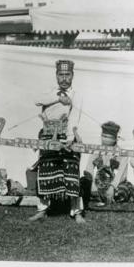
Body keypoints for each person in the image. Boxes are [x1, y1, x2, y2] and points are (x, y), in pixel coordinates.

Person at [28, 59, 85, 224]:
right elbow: (37, 100)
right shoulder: (49, 92)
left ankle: (77, 212)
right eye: (61, 75)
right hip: (47, 136)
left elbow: (75, 118)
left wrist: (69, 139)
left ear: (73, 75)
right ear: (56, 75)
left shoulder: (77, 95)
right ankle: (42, 209)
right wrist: (59, 98)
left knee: (72, 173)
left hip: (67, 137)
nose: (64, 79)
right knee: (46, 172)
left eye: (68, 75)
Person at [81, 121, 121, 208]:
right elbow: (89, 169)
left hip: (115, 185)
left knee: (122, 191)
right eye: (103, 136)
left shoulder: (121, 153)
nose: (104, 139)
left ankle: (109, 197)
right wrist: (92, 185)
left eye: (107, 137)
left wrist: (112, 187)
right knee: (84, 182)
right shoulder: (96, 150)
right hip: (99, 183)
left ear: (115, 138)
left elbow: (122, 174)